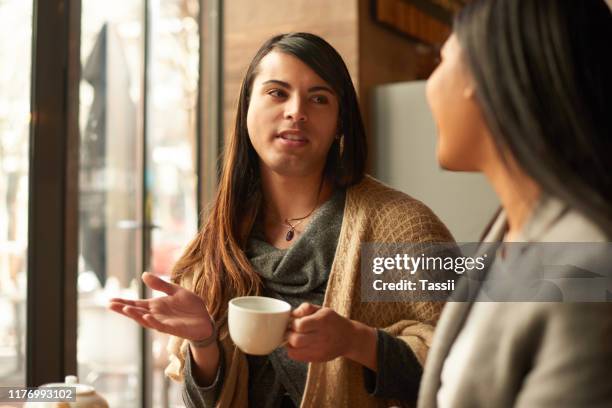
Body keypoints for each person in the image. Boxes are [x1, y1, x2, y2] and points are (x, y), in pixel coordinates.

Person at [109, 32, 454, 407]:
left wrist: (356, 341)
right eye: (277, 93)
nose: (296, 111)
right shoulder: (220, 239)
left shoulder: (402, 229)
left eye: (319, 98)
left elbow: (462, 370)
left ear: (340, 121)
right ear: (246, 109)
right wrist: (204, 341)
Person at [418, 1, 612, 407]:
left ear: (486, 75)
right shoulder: (508, 231)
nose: (429, 86)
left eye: (443, 58)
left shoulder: (585, 267)